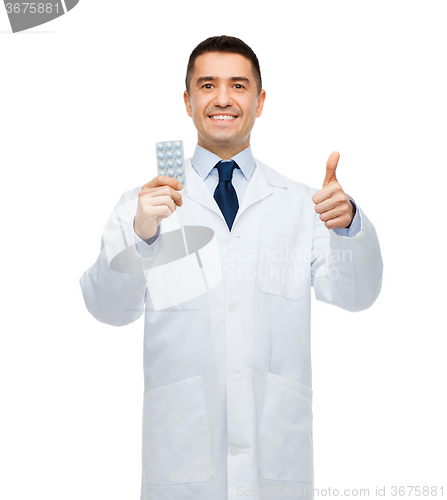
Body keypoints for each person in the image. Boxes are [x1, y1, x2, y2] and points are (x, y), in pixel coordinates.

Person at [80, 35, 383, 500]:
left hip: (274, 461)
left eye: (238, 86)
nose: (222, 98)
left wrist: (349, 226)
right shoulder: (143, 206)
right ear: (187, 101)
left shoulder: (303, 204)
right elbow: (105, 307)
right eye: (207, 85)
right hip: (180, 464)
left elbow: (358, 295)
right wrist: (142, 234)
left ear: (260, 102)